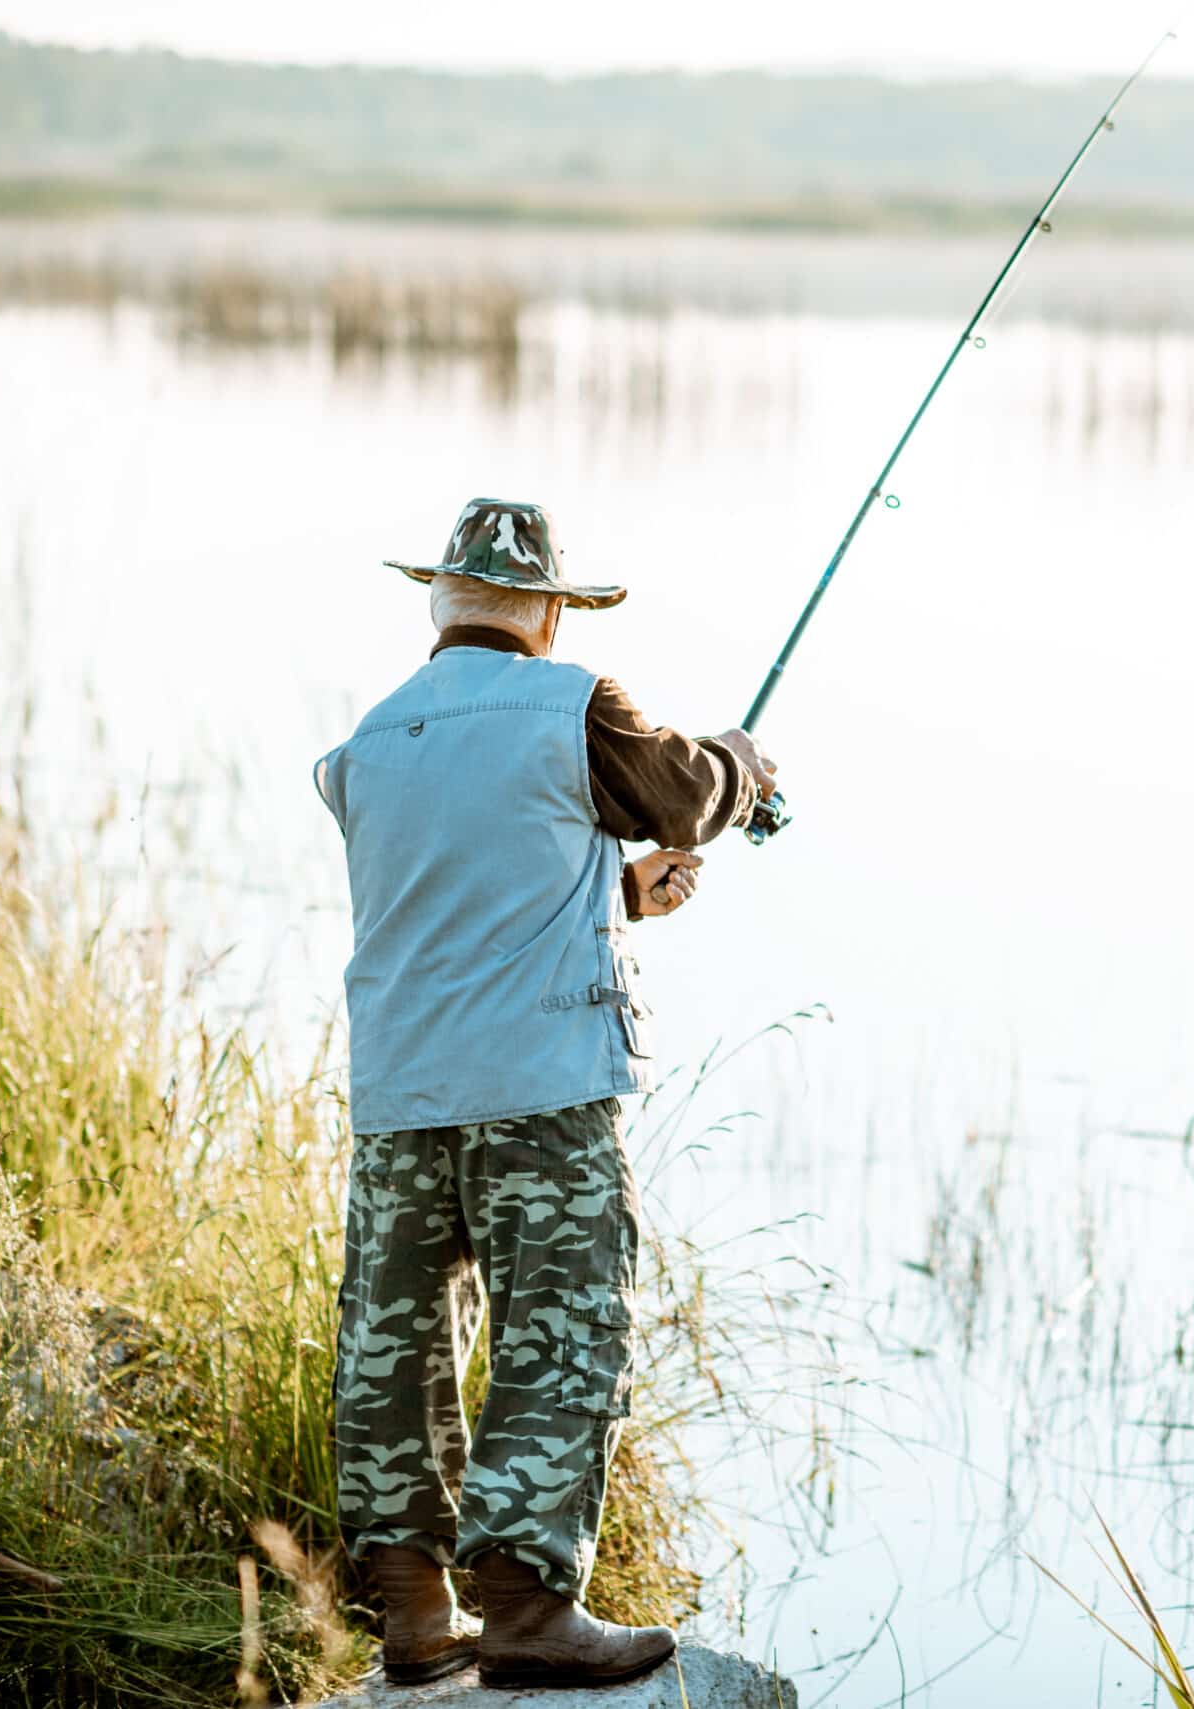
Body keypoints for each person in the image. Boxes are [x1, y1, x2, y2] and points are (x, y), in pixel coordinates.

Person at [310, 499, 774, 1688]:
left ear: (439, 600)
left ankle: (416, 1613)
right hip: (543, 1087)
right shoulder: (575, 704)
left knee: (396, 1343)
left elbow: (455, 894)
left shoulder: (370, 740)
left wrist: (614, 896)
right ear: (551, 612)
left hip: (401, 1092)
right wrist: (743, 762)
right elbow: (686, 796)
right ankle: (523, 1606)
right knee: (562, 1326)